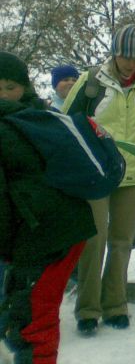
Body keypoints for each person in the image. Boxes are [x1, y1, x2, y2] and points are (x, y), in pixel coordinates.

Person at [63, 25, 135, 336]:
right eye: (125, 56)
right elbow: (66, 125)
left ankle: (115, 305)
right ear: (115, 53)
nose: (130, 63)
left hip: (133, 174)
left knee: (120, 242)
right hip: (96, 174)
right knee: (94, 240)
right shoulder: (91, 83)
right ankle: (87, 310)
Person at [0, 51, 96, 363]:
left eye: (10, 86)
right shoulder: (38, 117)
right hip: (51, 232)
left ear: (24, 87)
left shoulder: (32, 122)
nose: (2, 93)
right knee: (25, 317)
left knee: (32, 323)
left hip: (50, 236)